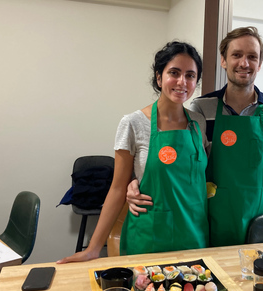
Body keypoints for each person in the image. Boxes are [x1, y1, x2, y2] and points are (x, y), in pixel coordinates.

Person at [127, 26, 263, 247]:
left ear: (259, 63)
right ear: (223, 60)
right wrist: (134, 183)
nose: (244, 63)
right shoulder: (202, 110)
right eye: (236, 55)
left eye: (252, 56)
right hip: (214, 219)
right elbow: (185, 167)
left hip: (262, 220)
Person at [57, 41, 209, 263]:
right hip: (150, 238)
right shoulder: (133, 123)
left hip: (195, 237)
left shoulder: (198, 122)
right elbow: (117, 188)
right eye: (174, 73)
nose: (182, 82)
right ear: (159, 77)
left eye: (190, 75)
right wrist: (93, 248)